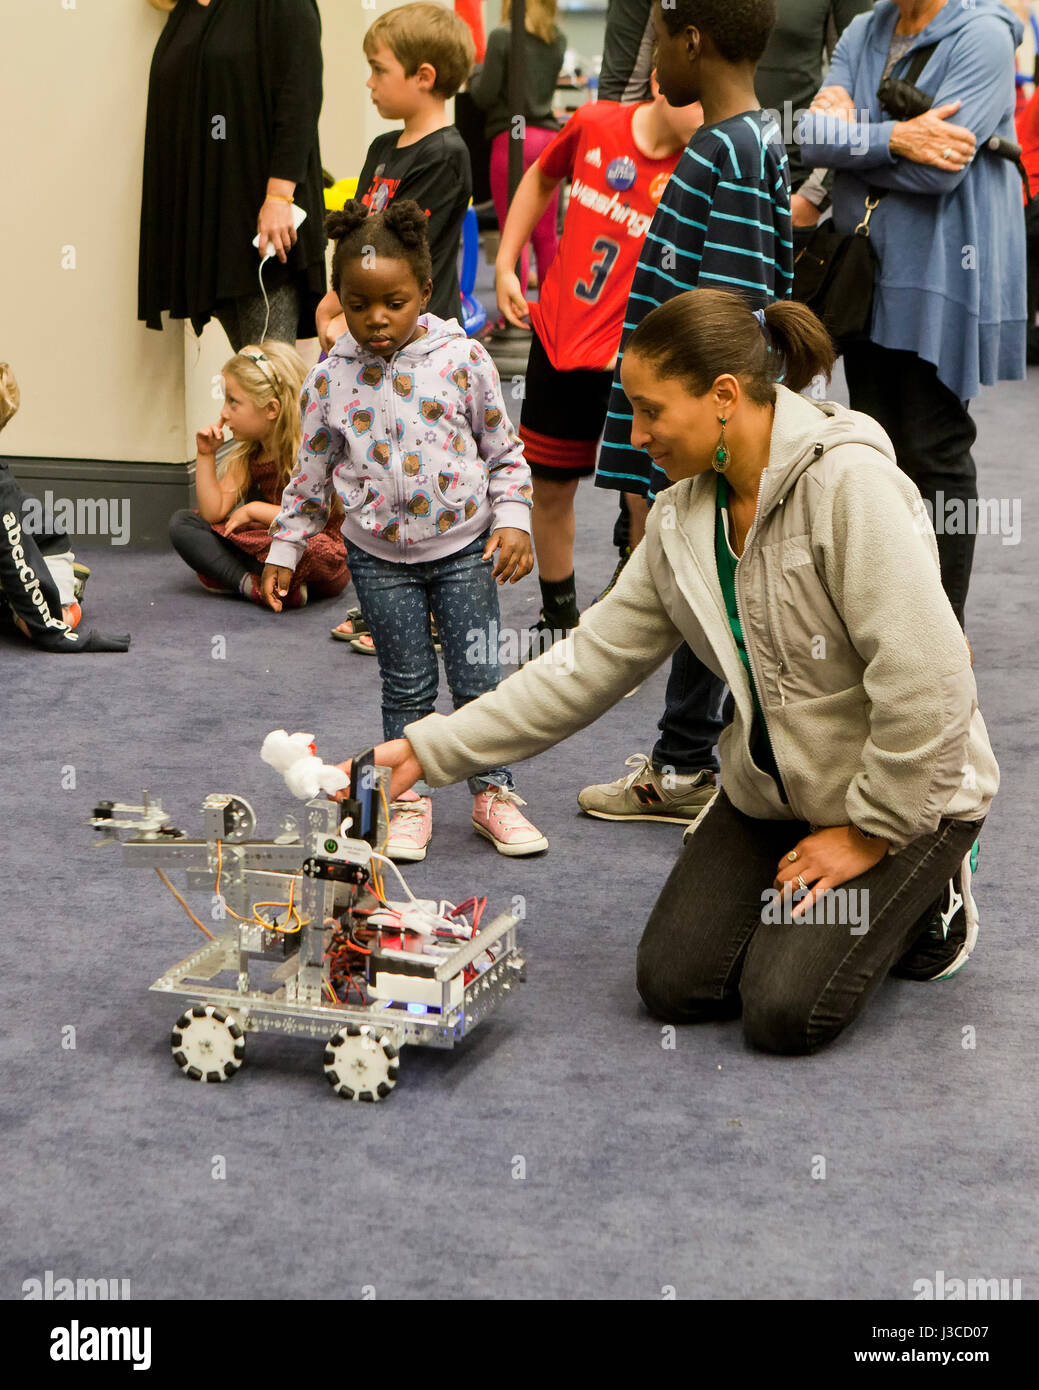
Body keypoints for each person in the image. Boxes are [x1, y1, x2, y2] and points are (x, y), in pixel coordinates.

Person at [342, 289, 998, 1054]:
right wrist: (430, 750)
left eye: (651, 410)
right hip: (772, 792)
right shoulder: (682, 518)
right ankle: (821, 889)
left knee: (784, 1012)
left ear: (723, 397)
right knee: (675, 984)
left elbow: (931, 679)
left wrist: (869, 831)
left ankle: (932, 895)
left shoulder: (847, 486)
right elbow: (585, 666)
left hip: (901, 792)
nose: (636, 433)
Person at [261, 201, 548, 863]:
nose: (377, 319)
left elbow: (504, 453)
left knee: (479, 679)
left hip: (464, 549)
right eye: (359, 305)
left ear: (424, 290)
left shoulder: (462, 359)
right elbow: (309, 475)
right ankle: (408, 798)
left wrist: (512, 521)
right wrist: (285, 545)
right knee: (407, 685)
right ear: (339, 300)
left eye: (394, 301)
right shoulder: (329, 378)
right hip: (377, 557)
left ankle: (494, 792)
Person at [585, 0, 793, 826]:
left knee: (709, 587)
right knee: (709, 583)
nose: (651, 61)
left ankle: (688, 765)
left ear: (692, 39)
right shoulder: (739, 140)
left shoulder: (728, 151)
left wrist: (664, 455)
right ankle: (683, 760)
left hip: (702, 429)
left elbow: (726, 323)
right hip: (701, 424)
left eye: (659, 41)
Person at [798, 0, 1027, 628]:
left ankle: (940, 636)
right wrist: (896, 134)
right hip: (866, 275)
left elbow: (941, 173)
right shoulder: (864, 29)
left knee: (934, 452)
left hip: (942, 274)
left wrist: (853, 141)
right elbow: (809, 136)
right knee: (877, 453)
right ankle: (892, 624)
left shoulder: (982, 34)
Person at [495, 75, 702, 648]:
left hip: (633, 361)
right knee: (549, 486)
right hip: (560, 340)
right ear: (663, 81)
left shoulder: (703, 162)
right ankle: (559, 618)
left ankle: (625, 626)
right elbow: (541, 174)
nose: (712, 111)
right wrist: (507, 262)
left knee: (642, 496)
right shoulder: (593, 123)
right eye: (699, 95)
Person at [139, 0, 327, 348]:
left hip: (265, 216)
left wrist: (278, 195)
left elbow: (300, 96)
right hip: (216, 224)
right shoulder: (189, 10)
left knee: (268, 377)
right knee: (251, 370)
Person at [314, 2, 475, 353]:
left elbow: (403, 252)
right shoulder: (382, 147)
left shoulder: (445, 155)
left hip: (421, 339)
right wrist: (337, 294)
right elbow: (354, 229)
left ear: (424, 76)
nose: (369, 82)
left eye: (379, 70)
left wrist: (345, 313)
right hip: (370, 320)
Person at [169, 341, 348, 607]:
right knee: (184, 524)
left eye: (233, 402)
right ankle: (250, 585)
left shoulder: (312, 451)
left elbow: (312, 521)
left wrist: (254, 510)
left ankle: (236, 577)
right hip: (265, 543)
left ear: (271, 409)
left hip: (317, 551)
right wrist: (205, 455)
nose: (224, 413)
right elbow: (214, 513)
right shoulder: (249, 455)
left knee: (312, 548)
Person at [0, 365, 130, 654]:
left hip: (38, 549)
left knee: (35, 624)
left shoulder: (2, 491)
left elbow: (17, 562)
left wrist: (51, 628)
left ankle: (69, 594)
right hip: (9, 556)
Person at [469, 0, 567, 322]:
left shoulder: (502, 36)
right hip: (549, 139)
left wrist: (475, 75)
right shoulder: (557, 39)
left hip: (514, 139)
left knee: (515, 232)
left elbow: (484, 95)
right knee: (546, 233)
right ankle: (555, 313)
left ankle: (515, 313)